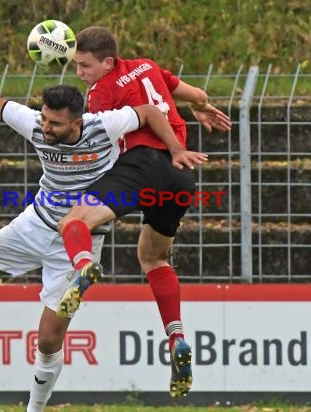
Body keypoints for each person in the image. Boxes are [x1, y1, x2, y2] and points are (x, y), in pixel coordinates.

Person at [0, 46, 208, 412]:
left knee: (48, 340)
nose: (45, 128)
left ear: (78, 121)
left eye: (54, 124)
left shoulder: (103, 125)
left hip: (76, 240)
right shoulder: (35, 125)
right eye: (44, 119)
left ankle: (35, 409)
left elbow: (151, 111)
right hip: (33, 224)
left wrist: (175, 149)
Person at [54, 26, 233, 398]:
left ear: (107, 62)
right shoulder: (148, 66)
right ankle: (177, 338)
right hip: (180, 177)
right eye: (76, 66)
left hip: (144, 166)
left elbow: (119, 131)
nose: (79, 73)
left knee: (73, 220)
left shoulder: (101, 92)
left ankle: (84, 264)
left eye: (84, 66)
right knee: (153, 257)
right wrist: (200, 107)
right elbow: (194, 93)